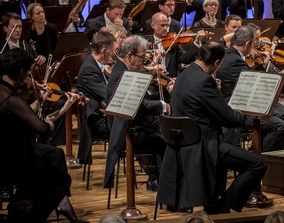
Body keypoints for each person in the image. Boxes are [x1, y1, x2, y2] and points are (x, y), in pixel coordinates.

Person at [156, 40, 267, 214]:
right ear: (216, 63)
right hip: (203, 144)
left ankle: (215, 203)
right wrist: (250, 115)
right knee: (258, 164)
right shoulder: (204, 81)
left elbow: (204, 105)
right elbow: (229, 118)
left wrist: (217, 93)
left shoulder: (185, 74)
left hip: (183, 141)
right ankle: (222, 205)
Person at [0, 48, 82, 223]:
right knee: (59, 179)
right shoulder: (10, 99)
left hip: (9, 146)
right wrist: (52, 122)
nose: (29, 78)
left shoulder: (5, 91)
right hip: (10, 158)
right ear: (21, 72)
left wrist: (40, 100)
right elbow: (42, 128)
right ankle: (27, 215)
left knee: (55, 154)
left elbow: (23, 115)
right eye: (28, 73)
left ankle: (25, 204)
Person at [103, 35, 169, 192]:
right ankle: (161, 181)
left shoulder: (125, 68)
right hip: (128, 130)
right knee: (168, 144)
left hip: (135, 123)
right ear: (129, 56)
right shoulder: (122, 74)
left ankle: (157, 179)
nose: (144, 60)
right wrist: (162, 105)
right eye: (141, 56)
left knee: (167, 129)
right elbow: (139, 106)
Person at [216, 25, 284, 151]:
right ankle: (262, 160)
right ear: (247, 43)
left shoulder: (229, 54)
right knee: (281, 126)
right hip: (237, 109)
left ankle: (257, 148)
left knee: (281, 117)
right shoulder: (236, 61)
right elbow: (249, 85)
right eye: (253, 43)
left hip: (238, 105)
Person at [75, 30, 116, 164]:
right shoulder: (89, 69)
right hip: (96, 120)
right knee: (136, 127)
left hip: (103, 114)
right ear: (104, 50)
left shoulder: (95, 64)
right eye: (112, 50)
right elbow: (108, 94)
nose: (113, 54)